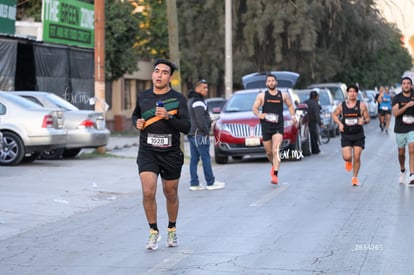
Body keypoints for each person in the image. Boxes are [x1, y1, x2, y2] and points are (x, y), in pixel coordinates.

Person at [131, 58, 191, 250]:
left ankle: (172, 229)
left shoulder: (178, 99)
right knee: (148, 191)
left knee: (170, 192)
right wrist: (137, 123)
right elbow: (135, 115)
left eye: (164, 72)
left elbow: (187, 127)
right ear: (152, 74)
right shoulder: (143, 96)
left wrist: (169, 116)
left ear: (170, 77)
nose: (159, 75)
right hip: (148, 151)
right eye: (157, 71)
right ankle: (153, 232)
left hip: (171, 153)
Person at [252, 73, 297, 185]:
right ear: (266, 83)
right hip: (266, 126)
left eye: (273, 80)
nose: (271, 82)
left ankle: (275, 174)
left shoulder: (283, 95)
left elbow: (290, 105)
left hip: (278, 125)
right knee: (268, 152)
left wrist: (293, 116)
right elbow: (255, 108)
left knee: (276, 149)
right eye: (269, 81)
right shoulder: (262, 96)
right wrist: (260, 115)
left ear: (276, 82)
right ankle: (273, 164)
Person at [187, 79, 226, 191]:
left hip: (192, 134)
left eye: (207, 87)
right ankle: (210, 182)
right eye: (204, 87)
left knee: (194, 159)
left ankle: (194, 184)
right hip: (199, 134)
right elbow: (200, 119)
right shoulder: (198, 101)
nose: (206, 90)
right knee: (206, 158)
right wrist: (206, 132)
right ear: (197, 88)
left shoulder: (191, 100)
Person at [332, 84, 370, 186]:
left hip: (358, 134)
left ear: (357, 93)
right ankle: (348, 161)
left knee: (357, 157)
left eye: (354, 91)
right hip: (346, 134)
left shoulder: (361, 105)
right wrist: (340, 124)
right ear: (347, 93)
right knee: (347, 156)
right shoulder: (342, 105)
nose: (352, 93)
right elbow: (334, 115)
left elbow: (368, 118)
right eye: (350, 91)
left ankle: (354, 177)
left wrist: (364, 121)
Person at [392, 76, 414, 185]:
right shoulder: (397, 98)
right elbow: (395, 113)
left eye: (408, 83)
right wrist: (407, 106)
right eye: (404, 83)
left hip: (412, 128)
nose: (406, 85)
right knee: (401, 153)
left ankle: (412, 174)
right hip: (400, 128)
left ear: (411, 85)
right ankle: (402, 169)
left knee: (412, 149)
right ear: (401, 86)